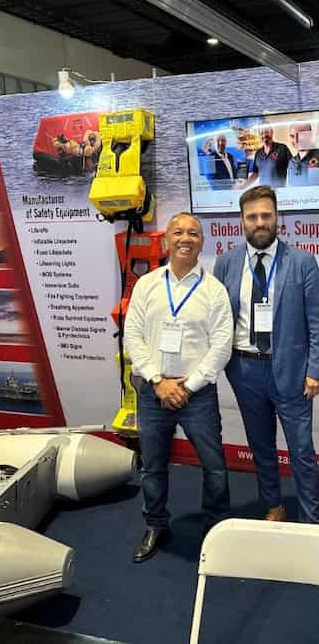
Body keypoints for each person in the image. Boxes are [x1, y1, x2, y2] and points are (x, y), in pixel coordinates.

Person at [123, 212, 232, 563]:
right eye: (179, 232)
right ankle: (155, 524)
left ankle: (216, 529)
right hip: (153, 392)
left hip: (197, 394)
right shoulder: (147, 285)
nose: (186, 238)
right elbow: (132, 337)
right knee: (152, 466)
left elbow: (222, 345)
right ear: (167, 239)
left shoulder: (214, 290)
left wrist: (190, 385)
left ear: (202, 242)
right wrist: (157, 381)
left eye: (193, 233)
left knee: (214, 466)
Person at [213, 185, 319, 524]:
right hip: (245, 371)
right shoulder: (226, 263)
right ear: (241, 220)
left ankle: (312, 519)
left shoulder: (303, 263)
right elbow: (218, 319)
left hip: (292, 373)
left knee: (302, 451)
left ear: (277, 218)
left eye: (266, 215)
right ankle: (274, 506)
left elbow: (316, 321)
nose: (260, 222)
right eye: (252, 216)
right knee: (261, 446)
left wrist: (314, 370)